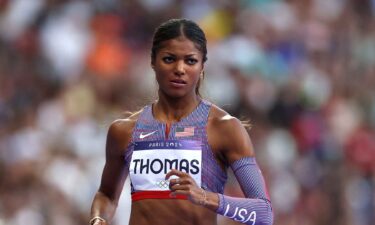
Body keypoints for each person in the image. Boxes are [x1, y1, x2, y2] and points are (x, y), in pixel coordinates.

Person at [89, 18, 273, 225]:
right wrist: (98, 218)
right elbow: (106, 195)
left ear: (202, 65)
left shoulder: (224, 128)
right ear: (153, 61)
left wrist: (206, 197)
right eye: (169, 59)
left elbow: (263, 214)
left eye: (190, 61)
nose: (179, 69)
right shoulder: (124, 131)